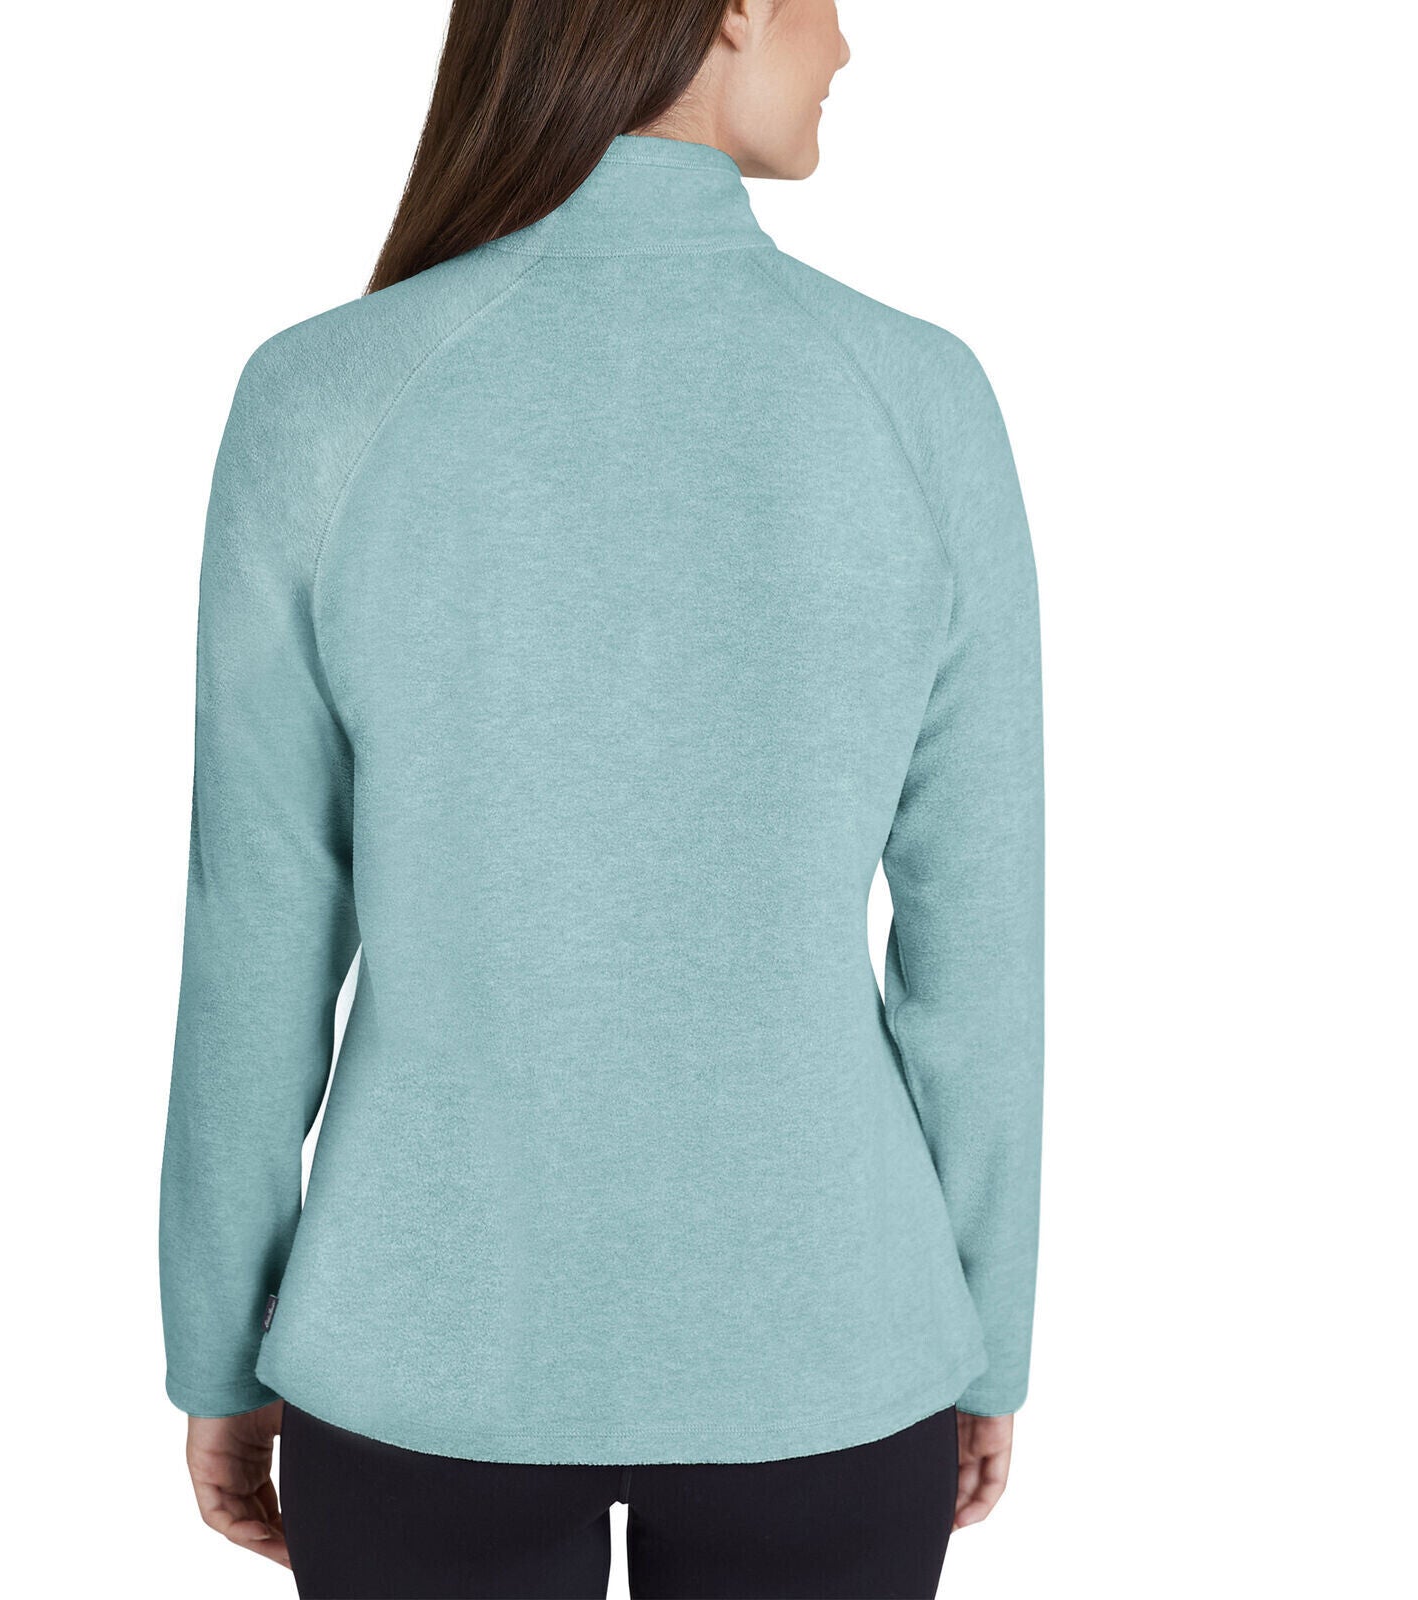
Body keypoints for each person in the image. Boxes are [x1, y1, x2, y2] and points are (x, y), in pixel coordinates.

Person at [159, 0, 1044, 1594]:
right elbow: (979, 948)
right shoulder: (919, 398)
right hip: (832, 1351)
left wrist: (219, 1343)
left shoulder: (322, 394)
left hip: (419, 1363)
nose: (848, 47)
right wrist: (983, 1330)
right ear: (733, 7)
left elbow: (257, 936)